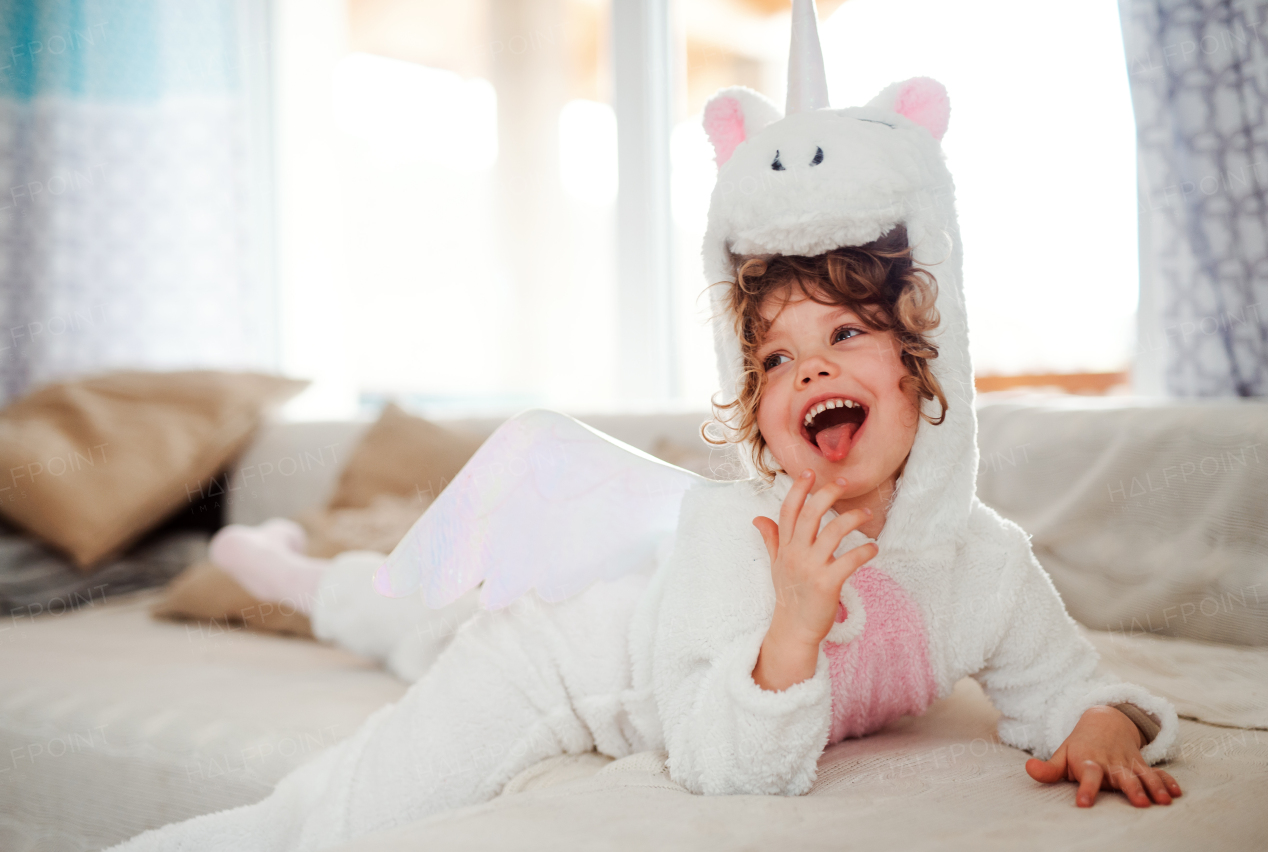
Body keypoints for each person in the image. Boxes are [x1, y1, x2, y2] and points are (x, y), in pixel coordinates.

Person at [109, 8, 1180, 850]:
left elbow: (1070, 682)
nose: (807, 365)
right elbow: (717, 760)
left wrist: (1102, 727)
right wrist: (795, 623)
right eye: (770, 357)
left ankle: (296, 572)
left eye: (846, 333)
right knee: (343, 785)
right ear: (752, 403)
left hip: (621, 584)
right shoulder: (735, 536)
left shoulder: (981, 565)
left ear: (919, 365)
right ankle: (288, 572)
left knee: (416, 618)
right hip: (558, 661)